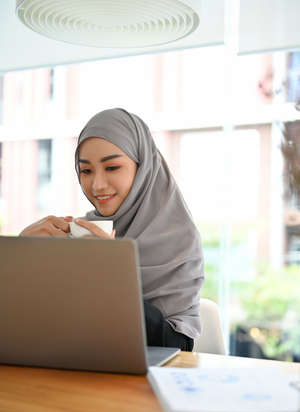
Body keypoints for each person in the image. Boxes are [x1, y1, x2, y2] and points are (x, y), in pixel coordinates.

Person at [21, 108, 204, 351]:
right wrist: (20, 259)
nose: (96, 185)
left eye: (112, 168)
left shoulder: (180, 239)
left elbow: (179, 346)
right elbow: (41, 328)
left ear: (143, 168)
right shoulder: (78, 236)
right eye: (86, 171)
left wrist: (110, 274)